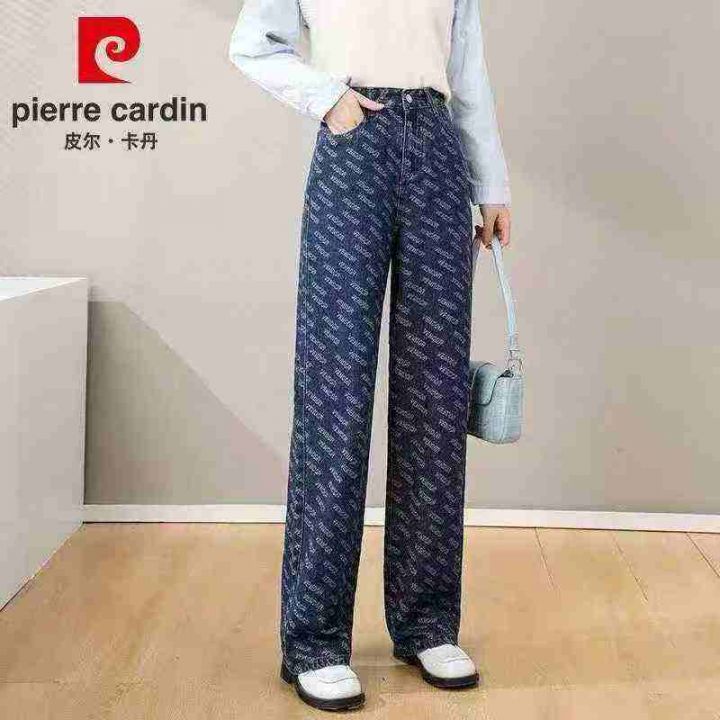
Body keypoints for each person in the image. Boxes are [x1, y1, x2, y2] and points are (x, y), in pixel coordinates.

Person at [228, 0, 511, 711]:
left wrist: (491, 185)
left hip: (439, 154)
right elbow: (252, 44)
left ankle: (427, 624)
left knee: (435, 399)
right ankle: (314, 641)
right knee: (335, 396)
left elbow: (467, 73)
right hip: (354, 144)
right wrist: (329, 100)